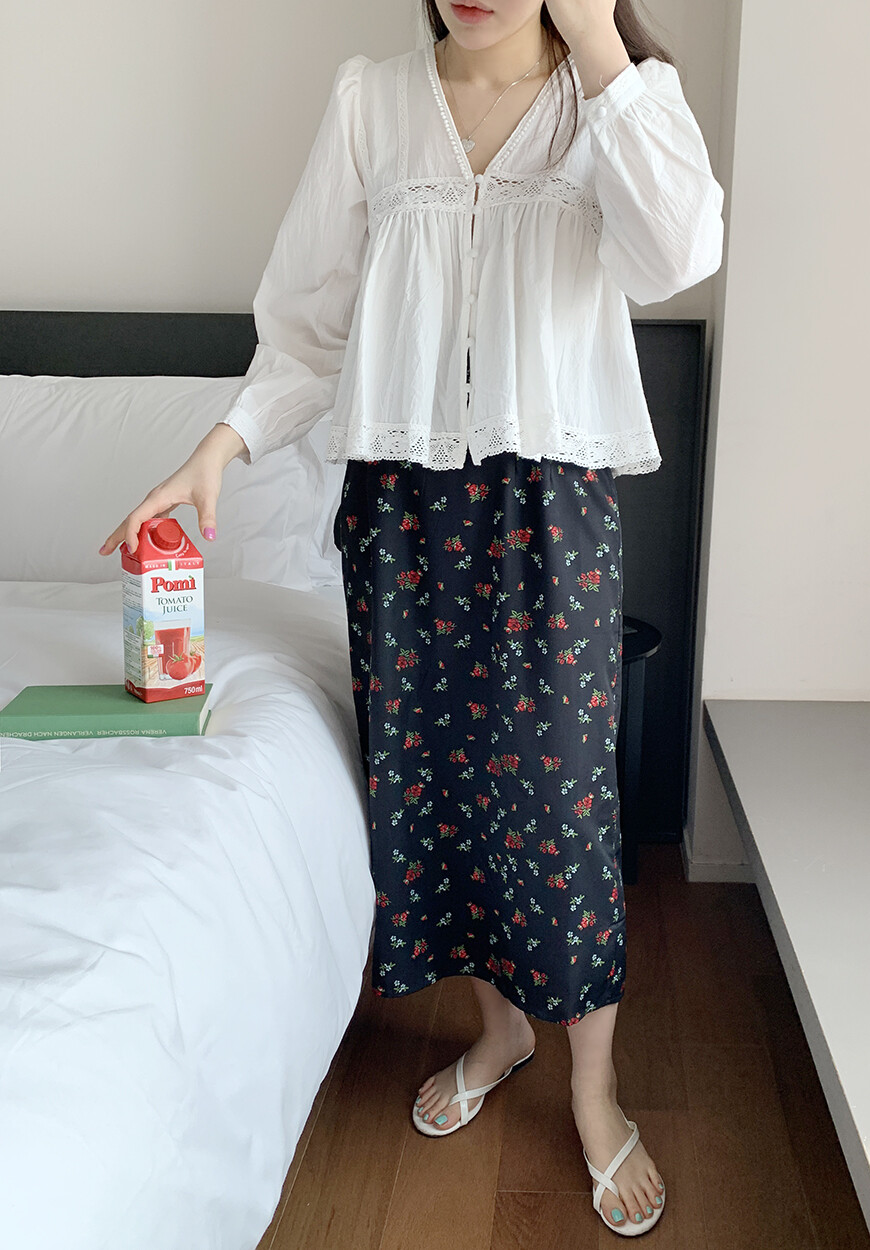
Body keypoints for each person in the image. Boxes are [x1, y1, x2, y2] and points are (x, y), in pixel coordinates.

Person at [99, 0, 724, 1235]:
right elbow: (309, 327)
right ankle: (500, 1030)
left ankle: (593, 1086)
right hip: (402, 505)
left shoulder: (605, 101)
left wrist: (601, 44)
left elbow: (679, 251)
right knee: (432, 790)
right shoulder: (368, 103)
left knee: (561, 809)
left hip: (550, 503)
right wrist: (219, 446)